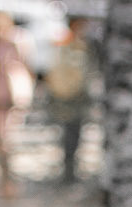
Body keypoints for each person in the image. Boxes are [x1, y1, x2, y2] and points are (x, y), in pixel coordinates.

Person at [0, 11, 36, 199]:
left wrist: (24, 94)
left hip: (13, 95)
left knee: (8, 140)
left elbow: (26, 68)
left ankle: (10, 182)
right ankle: (3, 181)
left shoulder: (17, 40)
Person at [47, 18, 97, 186]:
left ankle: (72, 171)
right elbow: (59, 74)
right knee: (68, 136)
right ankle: (68, 172)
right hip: (67, 99)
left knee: (75, 136)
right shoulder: (65, 48)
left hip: (78, 100)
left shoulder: (87, 49)